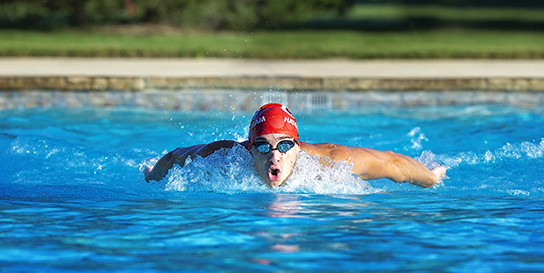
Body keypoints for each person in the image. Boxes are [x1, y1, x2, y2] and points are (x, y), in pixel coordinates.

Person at [144, 102, 446, 188]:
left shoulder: (328, 162)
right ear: (249, 148)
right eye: (262, 146)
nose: (274, 156)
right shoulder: (225, 158)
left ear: (298, 147)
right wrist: (151, 174)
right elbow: (174, 157)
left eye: (285, 146)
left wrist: (430, 178)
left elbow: (392, 163)